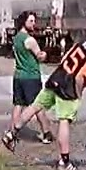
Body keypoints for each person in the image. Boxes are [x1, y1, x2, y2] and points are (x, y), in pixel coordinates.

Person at [1, 19, 86, 170]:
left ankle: (11, 134)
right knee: (64, 121)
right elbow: (80, 78)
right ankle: (64, 161)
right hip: (67, 88)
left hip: (57, 77)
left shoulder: (82, 43)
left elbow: (65, 58)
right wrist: (78, 94)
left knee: (35, 106)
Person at [10, 11, 54, 144]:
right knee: (37, 105)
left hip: (18, 76)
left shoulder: (16, 38)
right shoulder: (30, 40)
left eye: (34, 21)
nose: (34, 24)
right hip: (31, 76)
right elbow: (40, 56)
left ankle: (12, 132)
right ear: (24, 22)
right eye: (31, 21)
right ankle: (46, 133)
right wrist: (46, 53)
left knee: (18, 104)